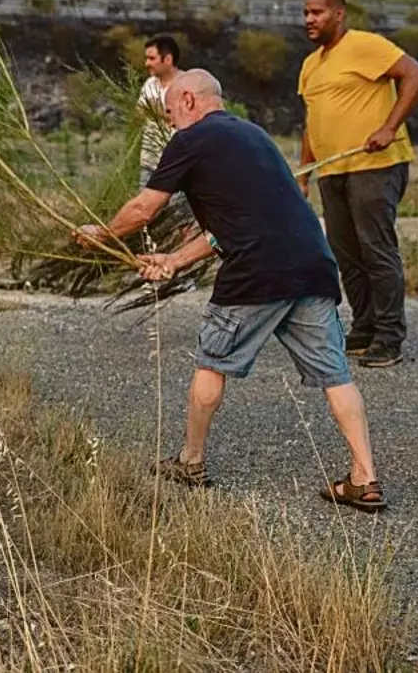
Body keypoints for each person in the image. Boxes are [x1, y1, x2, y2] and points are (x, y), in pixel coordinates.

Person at [75, 71, 386, 512]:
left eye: (169, 112)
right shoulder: (255, 136)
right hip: (312, 265)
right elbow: (230, 227)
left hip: (255, 271)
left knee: (212, 362)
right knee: (336, 375)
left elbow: (144, 208)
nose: (169, 123)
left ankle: (191, 461)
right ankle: (365, 479)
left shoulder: (190, 139)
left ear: (188, 99)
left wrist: (102, 234)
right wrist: (174, 259)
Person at [298, 0, 418, 368]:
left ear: (338, 14)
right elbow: (312, 121)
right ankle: (365, 327)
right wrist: (304, 173)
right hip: (331, 170)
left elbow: (417, 76)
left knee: (376, 249)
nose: (309, 19)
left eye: (317, 12)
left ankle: (389, 337)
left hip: (375, 167)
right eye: (306, 13)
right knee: (346, 254)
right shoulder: (310, 65)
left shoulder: (366, 45)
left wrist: (389, 127)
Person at [138, 35, 183, 186]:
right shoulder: (149, 84)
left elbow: (183, 120)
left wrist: (155, 110)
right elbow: (139, 113)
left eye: (152, 58)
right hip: (148, 162)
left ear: (168, 59)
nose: (147, 63)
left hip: (176, 164)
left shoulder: (187, 85)